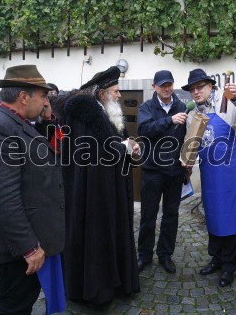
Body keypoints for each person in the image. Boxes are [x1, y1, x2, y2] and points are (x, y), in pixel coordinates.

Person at [0, 65, 65, 314]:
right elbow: (1, 198)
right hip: (15, 247)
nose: (47, 101)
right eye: (43, 96)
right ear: (24, 96)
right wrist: (29, 247)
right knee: (13, 305)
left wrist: (47, 120)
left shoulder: (15, 121)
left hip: (26, 238)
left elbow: (39, 153)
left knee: (21, 300)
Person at [56, 66, 140, 305]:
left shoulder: (96, 113)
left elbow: (106, 145)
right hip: (96, 193)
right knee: (96, 236)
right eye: (115, 91)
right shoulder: (89, 114)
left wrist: (123, 145)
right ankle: (98, 290)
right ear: (102, 93)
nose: (119, 95)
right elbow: (99, 153)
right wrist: (123, 147)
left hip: (100, 189)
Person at [182, 68, 236, 287]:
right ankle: (216, 258)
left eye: (200, 87)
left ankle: (229, 267)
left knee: (232, 218)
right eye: (192, 89)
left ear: (211, 86)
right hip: (210, 173)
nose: (196, 92)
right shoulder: (192, 115)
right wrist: (186, 162)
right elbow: (193, 146)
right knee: (214, 216)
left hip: (233, 173)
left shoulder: (230, 104)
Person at [136, 70, 188, 274]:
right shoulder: (147, 107)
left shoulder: (182, 106)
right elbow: (144, 130)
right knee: (148, 215)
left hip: (174, 171)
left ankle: (165, 255)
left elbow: (187, 136)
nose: (166, 88)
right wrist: (170, 120)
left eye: (169, 84)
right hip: (152, 170)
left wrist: (187, 161)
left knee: (171, 215)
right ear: (154, 87)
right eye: (162, 85)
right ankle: (144, 255)